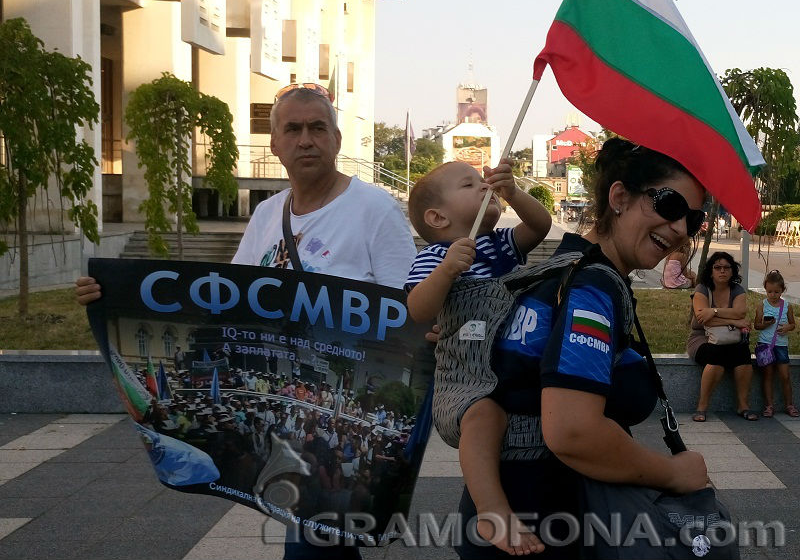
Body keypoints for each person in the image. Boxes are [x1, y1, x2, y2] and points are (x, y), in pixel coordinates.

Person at [76, 83, 417, 560]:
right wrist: (110, 296)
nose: (305, 140)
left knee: (314, 543)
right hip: (283, 419)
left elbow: (411, 307)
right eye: (292, 129)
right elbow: (225, 299)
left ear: (337, 140)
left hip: (327, 407)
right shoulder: (266, 214)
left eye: (318, 128)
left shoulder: (375, 210)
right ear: (275, 144)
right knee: (317, 540)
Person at [453, 138, 709, 559]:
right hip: (548, 522)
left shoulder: (561, 267)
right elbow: (572, 430)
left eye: (692, 218)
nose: (681, 227)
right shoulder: (593, 286)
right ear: (620, 197)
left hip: (508, 516)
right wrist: (674, 473)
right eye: (668, 204)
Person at [405, 158, 551, 555]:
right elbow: (418, 309)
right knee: (483, 416)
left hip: (505, 361)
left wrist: (515, 193)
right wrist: (446, 272)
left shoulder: (497, 245)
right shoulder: (435, 256)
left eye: (484, 181)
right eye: (470, 185)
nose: (484, 186)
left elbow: (539, 227)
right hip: (465, 375)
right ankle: (492, 512)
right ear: (437, 217)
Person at [687, 251, 756, 422]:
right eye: (717, 267)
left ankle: (743, 406)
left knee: (743, 356)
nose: (722, 271)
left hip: (730, 338)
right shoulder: (701, 289)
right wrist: (736, 322)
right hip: (701, 338)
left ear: (733, 271)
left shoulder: (737, 290)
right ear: (711, 271)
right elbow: (703, 321)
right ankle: (701, 407)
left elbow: (740, 311)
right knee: (716, 357)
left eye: (727, 267)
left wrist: (714, 311)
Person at [754, 269, 798, 418]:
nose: (773, 295)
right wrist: (765, 324)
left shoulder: (787, 306)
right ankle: (769, 405)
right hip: (765, 344)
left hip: (781, 345)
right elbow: (756, 325)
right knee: (768, 375)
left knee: (785, 376)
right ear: (765, 290)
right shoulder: (762, 305)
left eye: (776, 292)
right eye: (770, 292)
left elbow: (793, 324)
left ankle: (790, 405)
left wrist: (787, 327)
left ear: (782, 291)